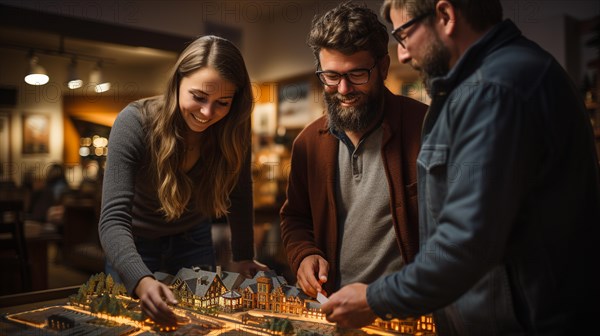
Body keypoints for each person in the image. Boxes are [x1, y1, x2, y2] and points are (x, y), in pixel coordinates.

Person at [321, 0, 600, 334]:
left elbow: (465, 242)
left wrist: (375, 299)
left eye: (405, 35)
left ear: (445, 16)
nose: (405, 55)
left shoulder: (494, 90)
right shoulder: (503, 76)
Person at [98, 35, 268, 326]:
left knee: (197, 325)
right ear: (177, 82)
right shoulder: (133, 123)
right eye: (198, 97)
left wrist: (243, 254)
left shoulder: (233, 127)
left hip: (193, 238)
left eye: (222, 102)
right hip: (135, 244)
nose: (207, 113)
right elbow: (113, 219)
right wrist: (140, 279)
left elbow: (240, 190)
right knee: (129, 327)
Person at [280, 1, 427, 299]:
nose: (343, 89)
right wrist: (304, 254)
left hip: (406, 310)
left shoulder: (425, 127)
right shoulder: (307, 143)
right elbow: (295, 217)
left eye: (357, 74)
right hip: (333, 308)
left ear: (383, 67)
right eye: (331, 77)